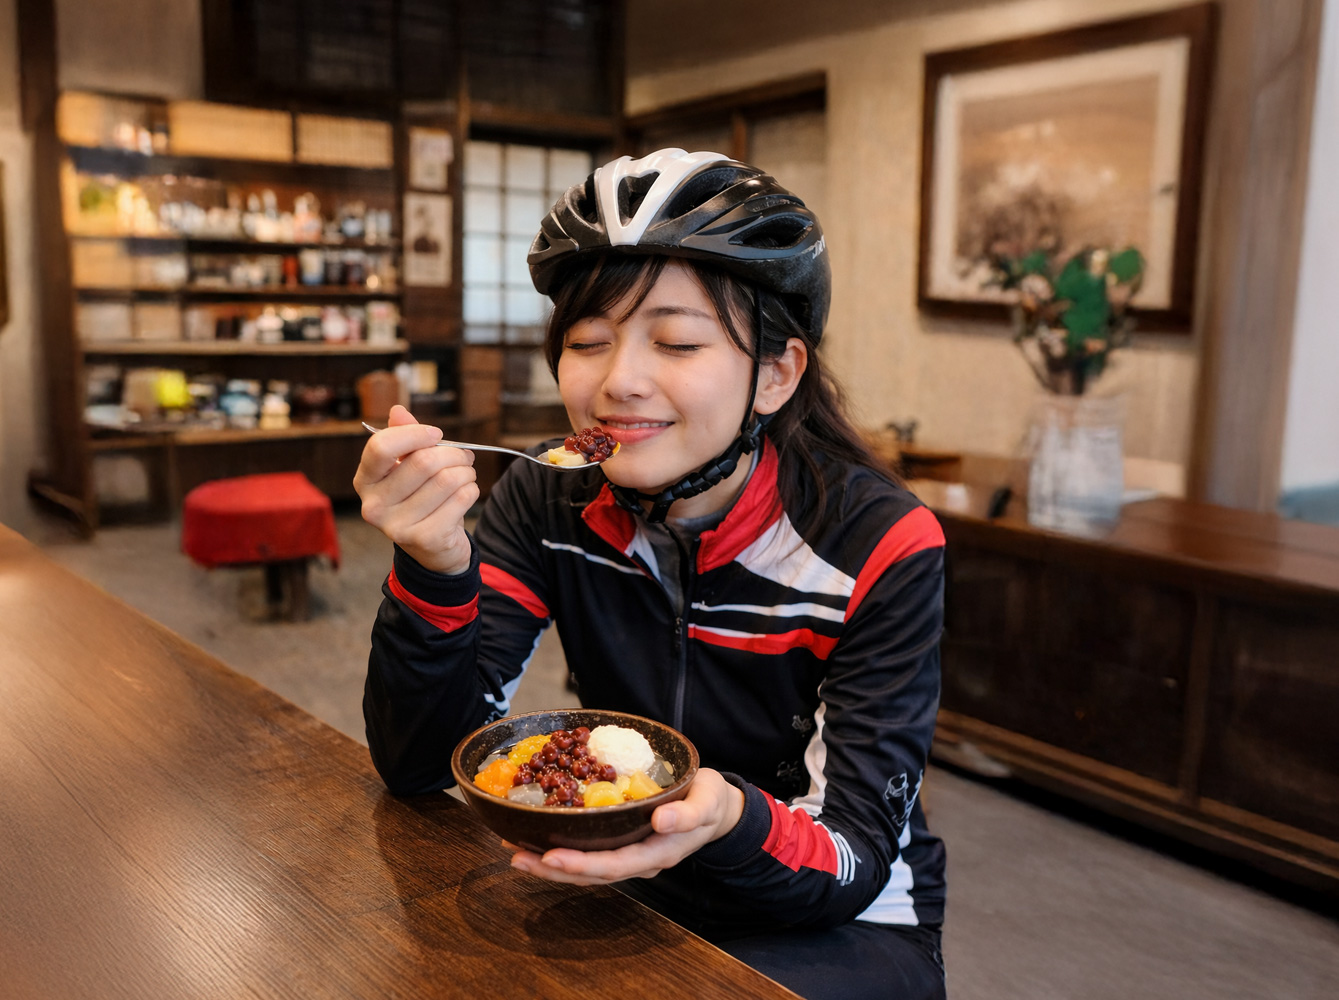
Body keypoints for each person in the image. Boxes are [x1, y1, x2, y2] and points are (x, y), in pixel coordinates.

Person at [355, 148, 947, 1000]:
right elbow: (419, 767)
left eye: (676, 341)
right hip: (626, 881)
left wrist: (727, 817)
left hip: (835, 915)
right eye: (587, 342)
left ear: (775, 374)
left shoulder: (879, 543)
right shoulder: (545, 498)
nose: (618, 381)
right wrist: (436, 569)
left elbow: (854, 856)